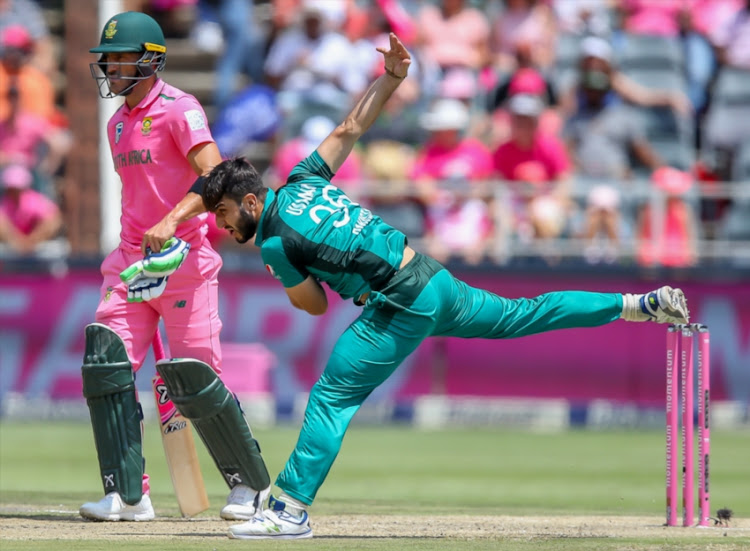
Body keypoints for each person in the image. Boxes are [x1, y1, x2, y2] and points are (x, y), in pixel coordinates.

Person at [200, 33, 690, 540]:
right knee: (526, 313)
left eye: (224, 214)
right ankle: (637, 304)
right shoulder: (302, 177)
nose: (222, 226)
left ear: (251, 203)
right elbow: (350, 127)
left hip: (397, 302)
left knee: (331, 396)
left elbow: (314, 307)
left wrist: (285, 278)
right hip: (433, 279)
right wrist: (391, 78)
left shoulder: (275, 245)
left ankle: (290, 510)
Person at [80, 11, 270, 522]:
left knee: (195, 378)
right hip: (131, 263)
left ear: (150, 60)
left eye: (120, 58)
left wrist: (170, 221)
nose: (111, 68)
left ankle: (248, 488)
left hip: (184, 261)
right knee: (106, 361)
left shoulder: (179, 110)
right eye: (108, 59)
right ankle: (127, 493)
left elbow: (215, 176)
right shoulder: (117, 122)